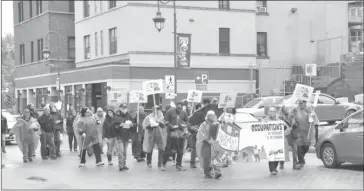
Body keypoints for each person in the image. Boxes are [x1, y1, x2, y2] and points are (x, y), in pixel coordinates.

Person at [289, 100, 319, 168]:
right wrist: (292, 118)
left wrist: (312, 116)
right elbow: (290, 115)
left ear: (305, 103)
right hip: (298, 131)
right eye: (299, 103)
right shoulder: (295, 109)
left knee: (306, 147)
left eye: (301, 103)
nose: (300, 104)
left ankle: (302, 157)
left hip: (307, 132)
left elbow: (314, 120)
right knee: (299, 146)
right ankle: (301, 161)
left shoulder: (309, 109)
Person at [163, 102, 189, 171]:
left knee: (180, 149)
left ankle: (178, 164)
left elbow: (187, 122)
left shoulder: (184, 113)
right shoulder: (170, 111)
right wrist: (171, 126)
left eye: (180, 108)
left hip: (181, 133)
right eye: (178, 107)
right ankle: (164, 164)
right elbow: (165, 121)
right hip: (172, 132)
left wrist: (184, 125)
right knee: (168, 149)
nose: (179, 109)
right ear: (176, 106)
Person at [196, 110, 222, 179]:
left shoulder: (216, 124)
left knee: (216, 157)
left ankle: (217, 172)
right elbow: (200, 133)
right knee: (207, 159)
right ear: (207, 116)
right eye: (211, 115)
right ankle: (207, 173)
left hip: (215, 143)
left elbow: (220, 132)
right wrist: (206, 140)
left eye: (213, 115)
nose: (212, 117)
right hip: (206, 144)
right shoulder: (203, 124)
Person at [263, 107, 290, 175]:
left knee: (278, 155)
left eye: (273, 112)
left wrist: (284, 128)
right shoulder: (265, 121)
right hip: (269, 141)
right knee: (271, 155)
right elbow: (260, 128)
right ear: (268, 113)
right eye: (271, 112)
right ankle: (272, 169)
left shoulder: (279, 121)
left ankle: (274, 167)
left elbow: (288, 129)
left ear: (275, 113)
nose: (272, 114)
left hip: (278, 142)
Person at [280, 105, 300, 170]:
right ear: (282, 110)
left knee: (295, 149)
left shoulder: (292, 116)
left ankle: (295, 164)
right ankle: (281, 163)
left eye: (287, 108)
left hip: (292, 135)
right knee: (283, 150)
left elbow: (298, 125)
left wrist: (294, 124)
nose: (286, 109)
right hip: (285, 136)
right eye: (284, 108)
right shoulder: (280, 117)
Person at [114, 104, 134, 171]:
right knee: (121, 151)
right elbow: (114, 127)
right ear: (120, 108)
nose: (124, 109)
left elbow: (132, 125)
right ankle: (121, 165)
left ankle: (124, 164)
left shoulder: (128, 116)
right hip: (119, 136)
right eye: (123, 108)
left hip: (126, 136)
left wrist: (131, 125)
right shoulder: (116, 116)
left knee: (125, 152)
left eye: (125, 108)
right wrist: (120, 125)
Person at [188, 103, 202, 168]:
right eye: (199, 108)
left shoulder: (204, 117)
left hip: (202, 135)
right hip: (194, 135)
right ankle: (192, 162)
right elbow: (190, 126)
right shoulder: (191, 117)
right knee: (194, 149)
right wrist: (197, 130)